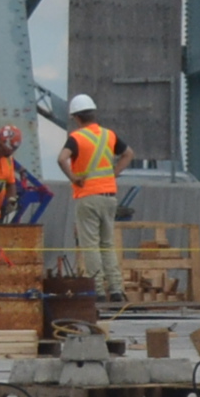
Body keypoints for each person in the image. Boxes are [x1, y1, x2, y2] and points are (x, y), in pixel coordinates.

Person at [60, 95, 126, 299]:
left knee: (90, 245)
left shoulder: (76, 138)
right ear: (93, 113)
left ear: (76, 117)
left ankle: (96, 290)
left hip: (87, 197)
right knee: (107, 244)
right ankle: (116, 290)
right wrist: (114, 173)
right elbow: (129, 153)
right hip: (109, 196)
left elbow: (61, 158)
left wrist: (74, 178)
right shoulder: (109, 135)